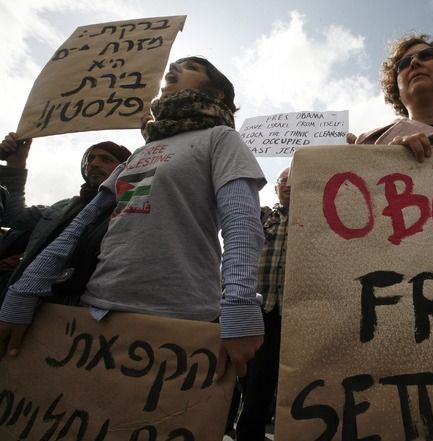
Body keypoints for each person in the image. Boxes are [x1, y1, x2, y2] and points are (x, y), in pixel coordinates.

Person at [0, 56, 266, 381]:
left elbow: (241, 225)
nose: (176, 69)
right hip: (94, 314)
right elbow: (77, 228)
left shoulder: (221, 138)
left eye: (192, 68)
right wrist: (25, 289)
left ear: (218, 92)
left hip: (179, 320)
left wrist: (239, 306)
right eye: (175, 65)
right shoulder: (143, 151)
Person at [0, 135, 131, 298]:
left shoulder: (132, 211)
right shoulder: (61, 209)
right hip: (26, 303)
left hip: (87, 308)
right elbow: (14, 217)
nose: (94, 164)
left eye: (106, 159)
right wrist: (16, 164)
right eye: (91, 158)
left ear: (126, 169)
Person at [233, 167, 290, 440]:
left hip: (295, 314)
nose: (289, 185)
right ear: (277, 188)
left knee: (288, 380)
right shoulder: (263, 216)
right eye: (284, 181)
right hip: (261, 310)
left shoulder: (318, 220)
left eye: (297, 181)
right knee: (255, 381)